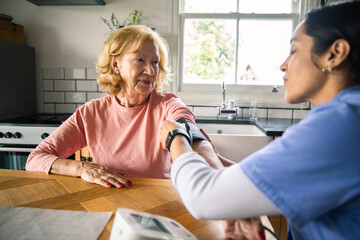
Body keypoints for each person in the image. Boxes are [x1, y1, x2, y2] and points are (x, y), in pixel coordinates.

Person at [159, 1, 360, 239]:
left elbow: (202, 197)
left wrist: (175, 137)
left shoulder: (341, 124)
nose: (284, 65)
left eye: (294, 51)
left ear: (334, 53)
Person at [26, 25, 223, 188]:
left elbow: (190, 132)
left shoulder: (167, 105)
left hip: (158, 205)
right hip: (108, 204)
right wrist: (82, 168)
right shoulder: (91, 113)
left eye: (155, 62)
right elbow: (36, 158)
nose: (150, 70)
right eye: (140, 60)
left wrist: (219, 176)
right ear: (115, 64)